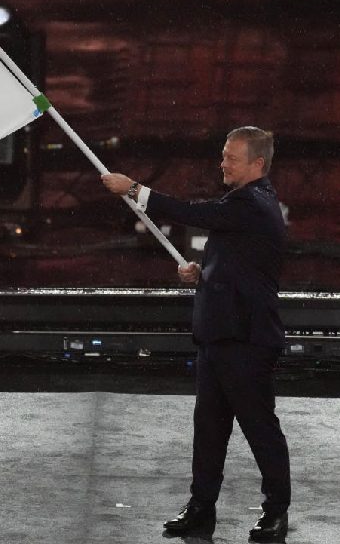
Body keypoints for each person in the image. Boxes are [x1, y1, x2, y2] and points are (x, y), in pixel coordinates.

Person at [101, 126, 290, 542]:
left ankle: (276, 513)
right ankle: (201, 509)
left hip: (245, 342)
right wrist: (203, 273)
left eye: (232, 158)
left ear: (257, 164)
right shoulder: (245, 204)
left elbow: (193, 213)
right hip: (221, 338)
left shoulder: (252, 203)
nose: (223, 163)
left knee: (260, 430)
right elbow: (241, 265)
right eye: (223, 155)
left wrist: (134, 189)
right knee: (209, 432)